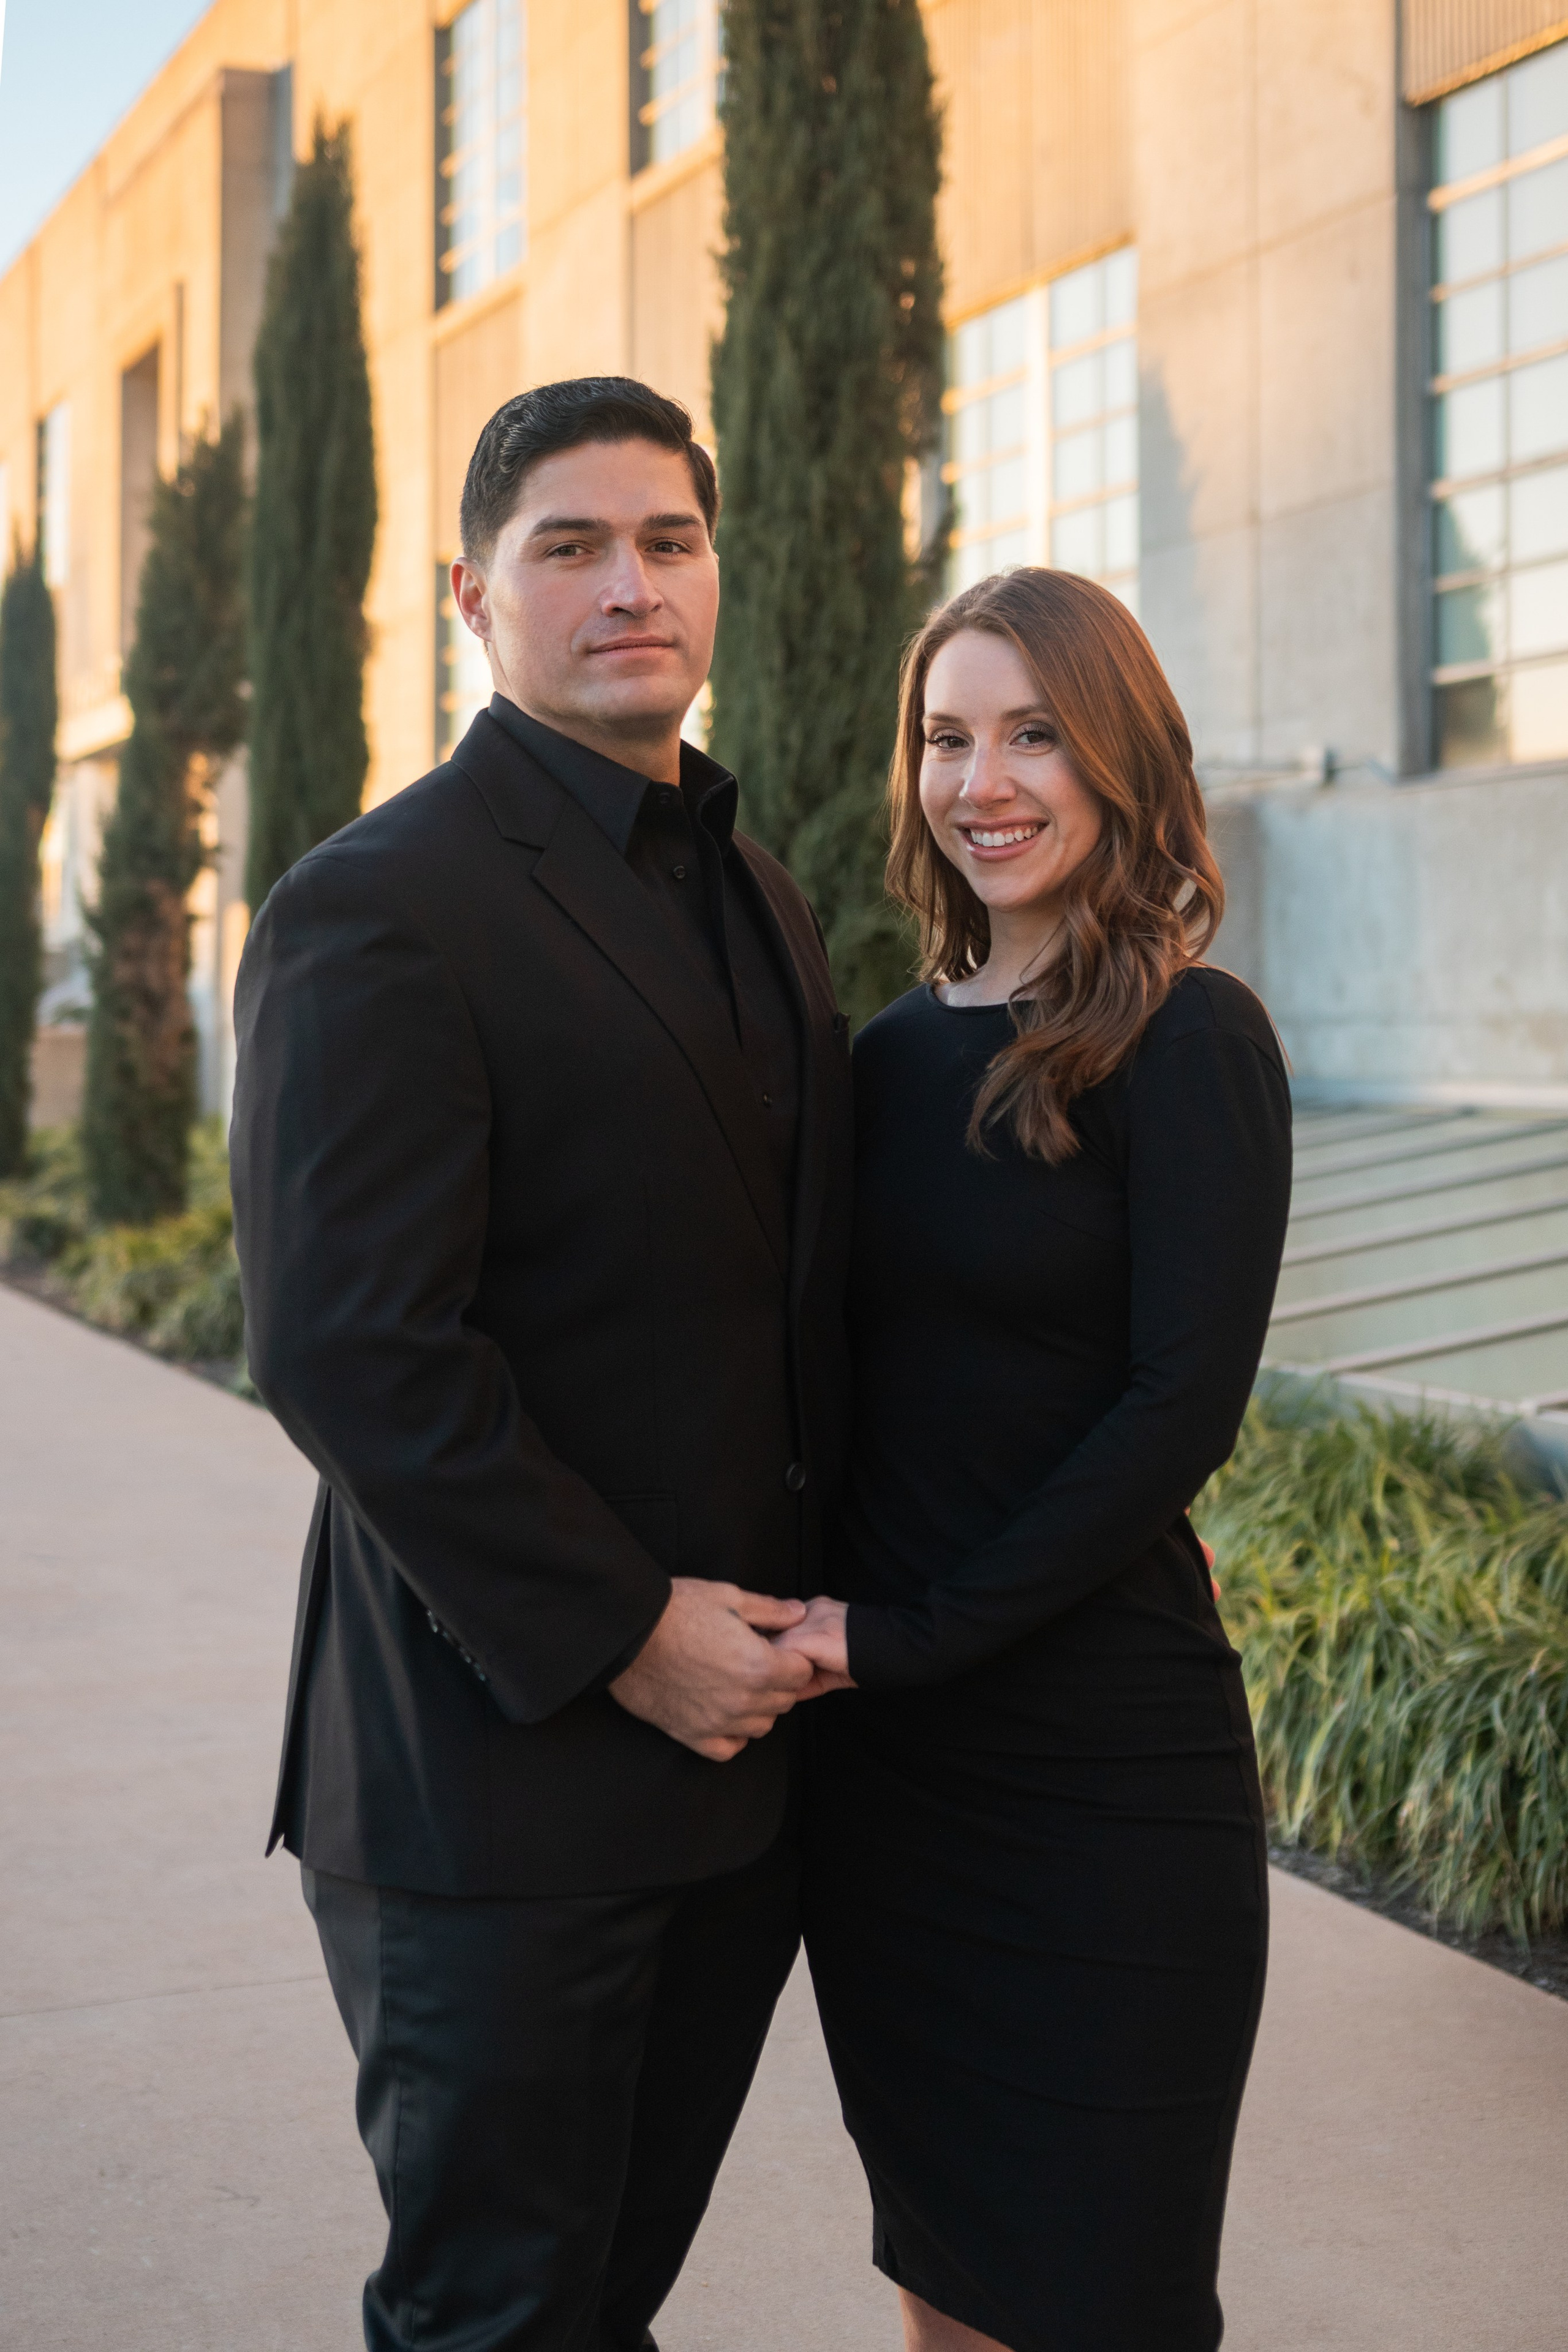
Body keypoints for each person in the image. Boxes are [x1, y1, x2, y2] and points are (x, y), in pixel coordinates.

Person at [229, 377, 854, 2352]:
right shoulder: (373, 906)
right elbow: (352, 1348)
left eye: (667, 540)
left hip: (741, 1786)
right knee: (493, 2319)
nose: (628, 586)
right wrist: (621, 1633)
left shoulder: (758, 892)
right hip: (490, 1787)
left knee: (603, 2304)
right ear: (471, 598)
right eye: (568, 546)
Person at [778, 568, 1293, 2352]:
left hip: (1104, 1785)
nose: (981, 780)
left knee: (1106, 2295)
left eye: (1033, 733)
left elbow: (1177, 1413)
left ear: (1119, 755)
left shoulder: (1187, 1036)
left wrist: (901, 1634)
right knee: (950, 2280)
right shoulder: (884, 1060)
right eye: (945, 736)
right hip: (894, 1800)